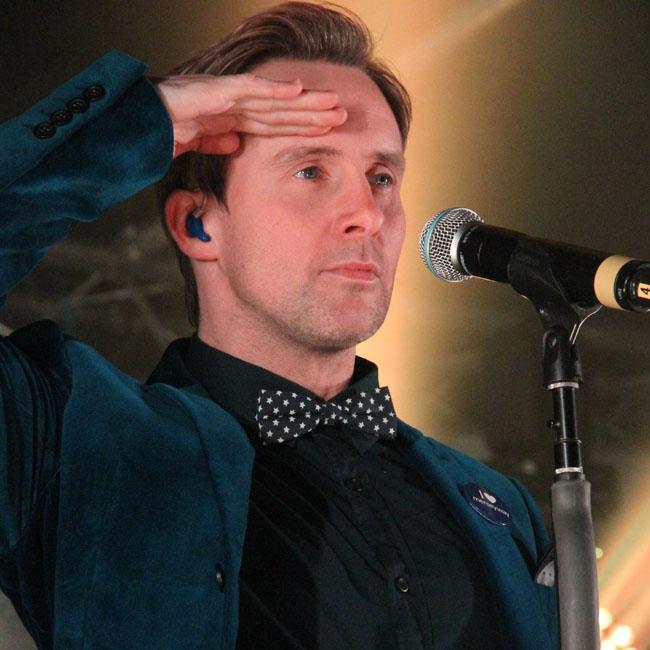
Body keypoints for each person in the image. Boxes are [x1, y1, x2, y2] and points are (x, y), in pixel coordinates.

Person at [0, 2, 558, 648]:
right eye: (311, 170)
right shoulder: (72, 438)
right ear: (197, 225)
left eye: (381, 177)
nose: (367, 214)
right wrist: (142, 123)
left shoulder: (498, 508)